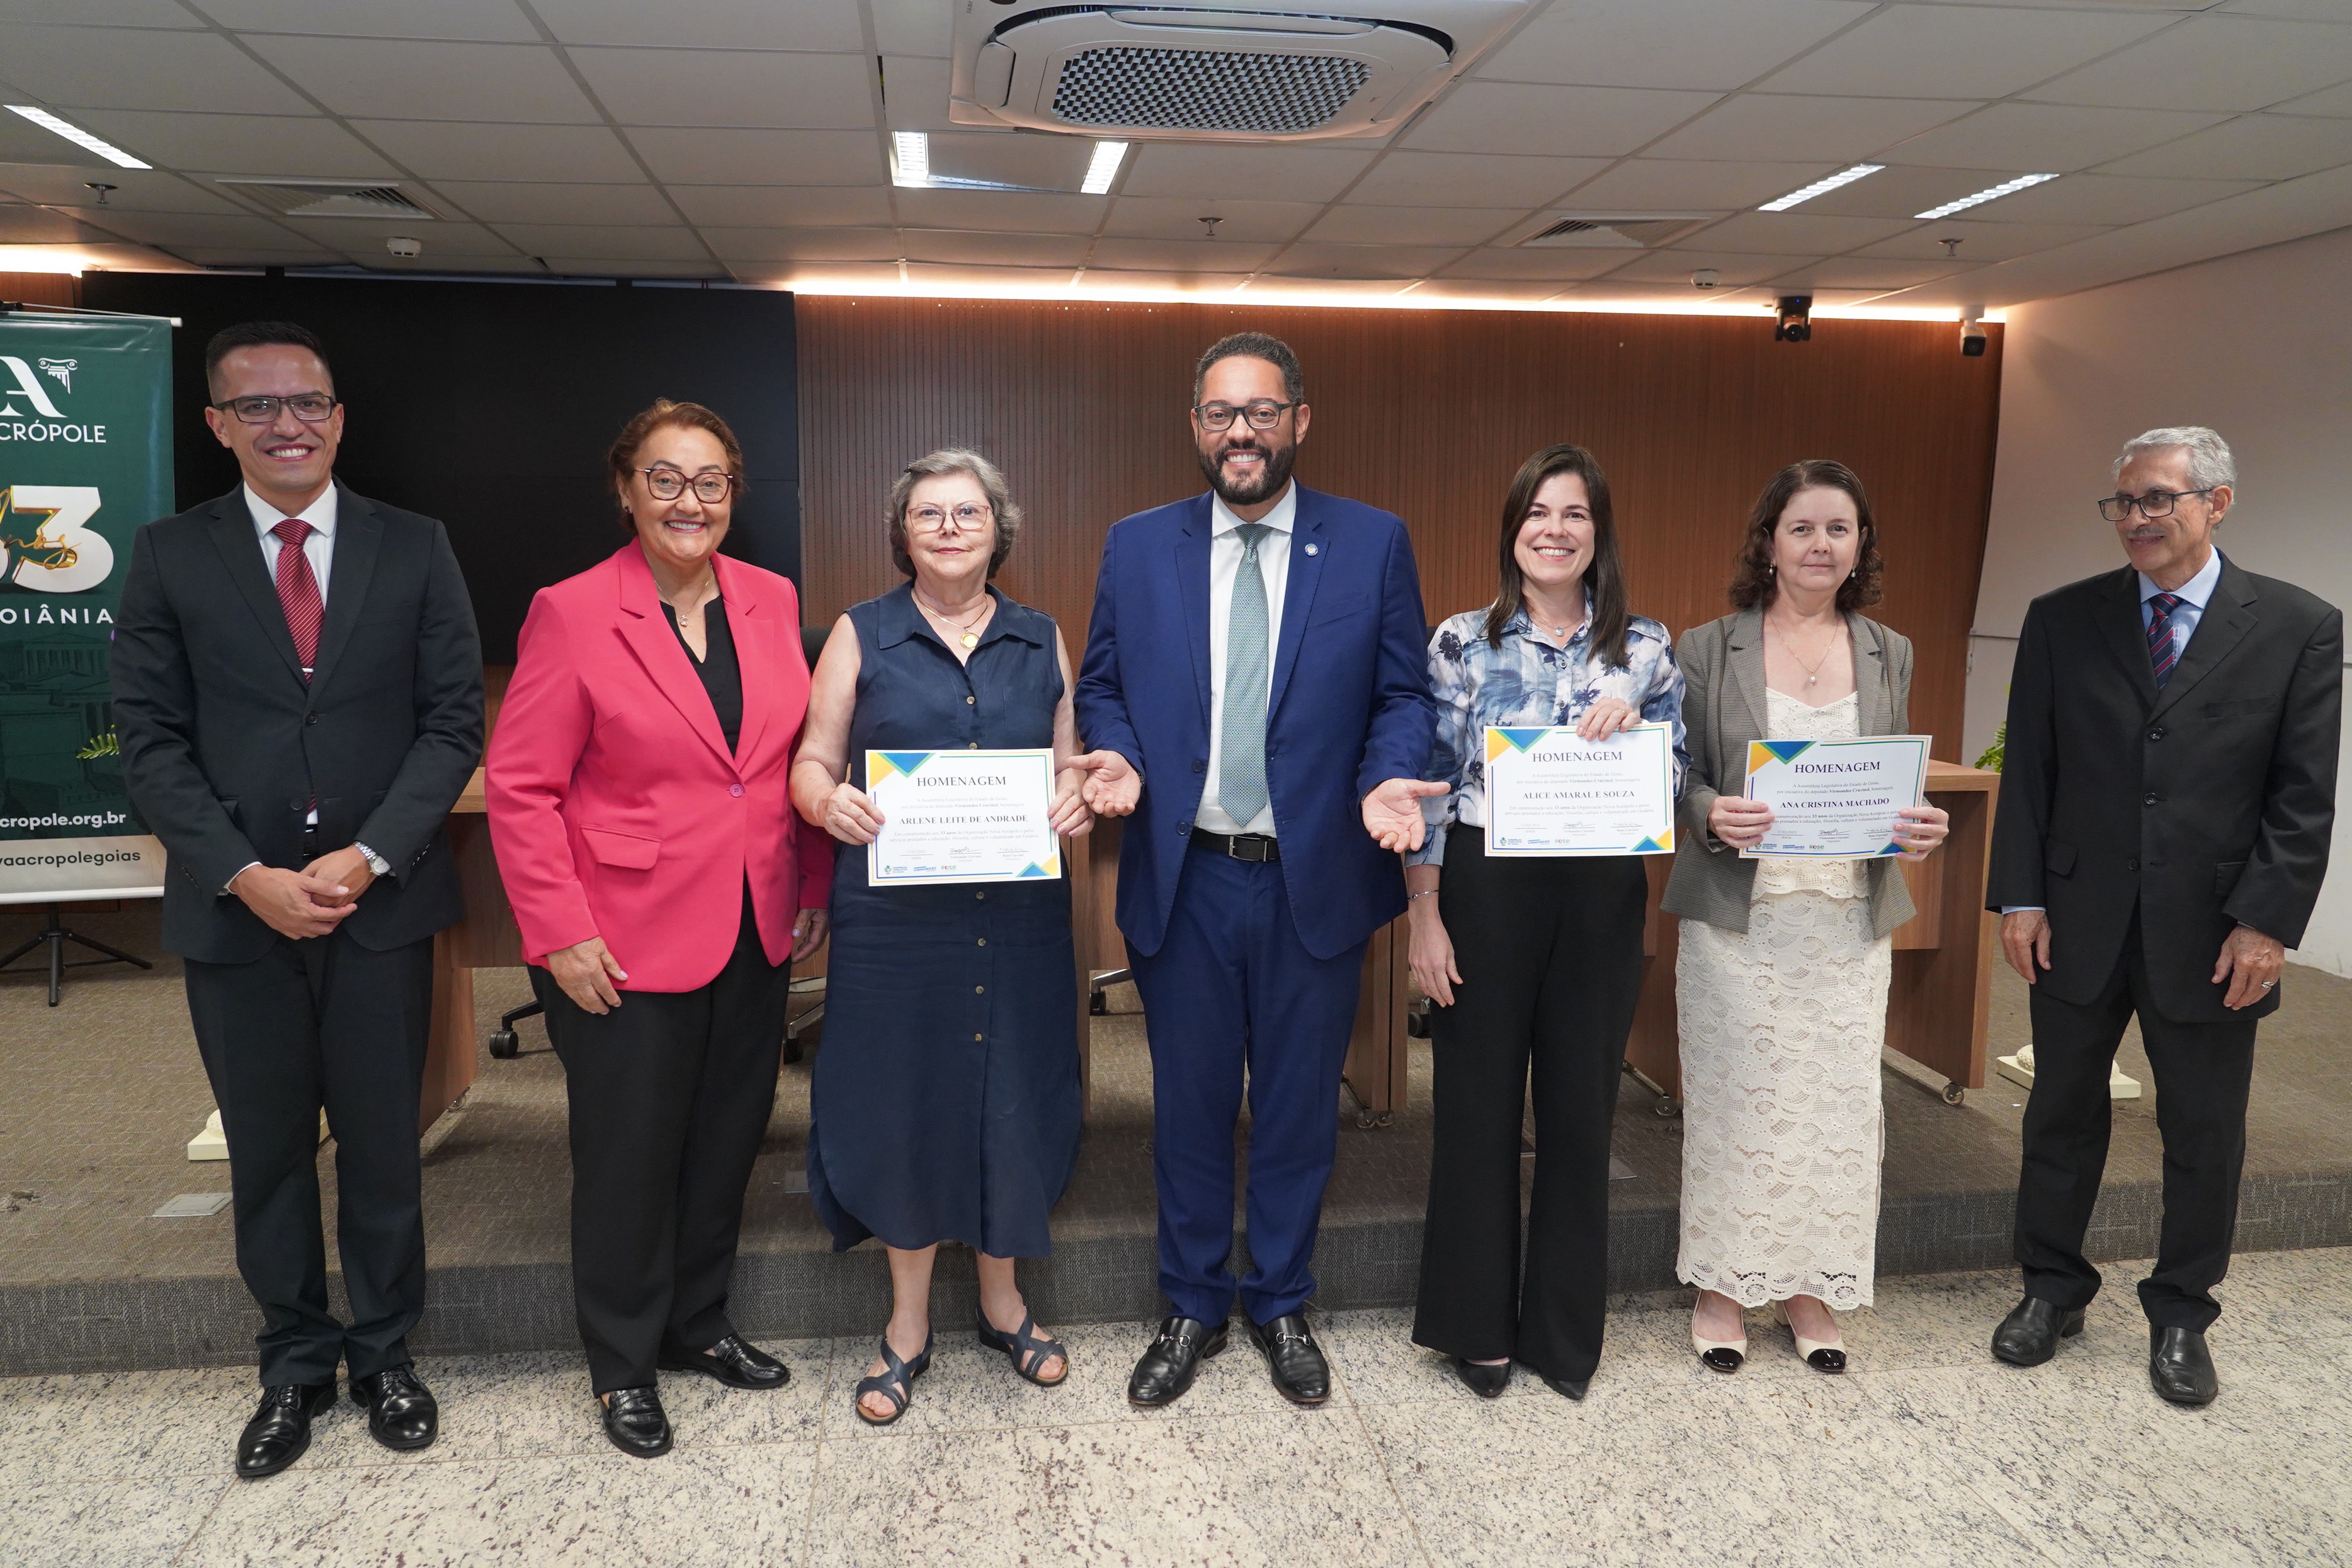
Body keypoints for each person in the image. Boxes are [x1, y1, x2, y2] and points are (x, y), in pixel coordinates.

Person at [111, 321, 483, 1479]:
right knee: (269, 1148)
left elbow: (452, 723)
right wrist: (243, 872)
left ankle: (385, 1351)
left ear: (338, 417)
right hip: (238, 909)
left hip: (379, 904)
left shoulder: (415, 545)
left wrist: (370, 854)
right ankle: (294, 1361)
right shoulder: (169, 553)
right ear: (218, 424)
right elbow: (150, 741)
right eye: (258, 406)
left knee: (381, 1143)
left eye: (307, 402)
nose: (287, 424)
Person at [1076, 332, 1438, 1408]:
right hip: (1183, 876)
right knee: (1187, 1105)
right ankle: (1191, 1301)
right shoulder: (1137, 545)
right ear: (1196, 425)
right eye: (1222, 412)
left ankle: (1280, 1299)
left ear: (1299, 421)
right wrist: (1118, 753)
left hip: (1310, 876)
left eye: (1263, 411)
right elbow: (1102, 685)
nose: (1242, 431)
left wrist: (1387, 775)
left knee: (1295, 1108)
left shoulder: (1371, 542)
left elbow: (1403, 694)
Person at [486, 400, 832, 1458]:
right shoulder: (573, 611)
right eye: (667, 479)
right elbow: (522, 787)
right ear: (626, 488)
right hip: (619, 938)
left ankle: (697, 1322)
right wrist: (559, 930)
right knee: (629, 1156)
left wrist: (810, 879)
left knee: (726, 1139)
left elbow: (788, 763)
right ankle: (623, 1363)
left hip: (753, 920)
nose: (691, 501)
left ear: (734, 493)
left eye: (711, 481)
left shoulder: (772, 599)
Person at [1987, 426, 2339, 1406]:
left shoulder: (2299, 626)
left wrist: (2266, 922)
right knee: (2061, 1114)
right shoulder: (2063, 618)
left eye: (2158, 499)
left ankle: (2183, 1310)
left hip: (2217, 930)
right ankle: (2051, 1289)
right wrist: (2021, 895)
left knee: (2204, 1130)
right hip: (2076, 917)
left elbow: (2303, 795)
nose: (2137, 518)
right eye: (2125, 501)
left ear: (2216, 503)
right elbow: (2031, 772)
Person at [791, 449, 1105, 1426]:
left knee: (1011, 1087)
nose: (950, 527)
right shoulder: (860, 632)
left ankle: (1005, 1302)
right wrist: (826, 801)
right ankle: (908, 1320)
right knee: (906, 1094)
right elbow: (811, 761)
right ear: (904, 532)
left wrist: (1076, 798)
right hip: (896, 923)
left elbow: (1070, 764)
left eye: (968, 512)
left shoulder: (1042, 637)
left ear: (998, 529)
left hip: (1016, 915)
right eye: (929, 513)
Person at [1406, 443, 1688, 1400]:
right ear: (1513, 529)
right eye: (1537, 512)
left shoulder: (1645, 647)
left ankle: (1564, 1332)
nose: (1555, 530)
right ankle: (1475, 1324)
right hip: (1487, 886)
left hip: (1601, 889)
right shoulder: (1460, 641)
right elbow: (1430, 788)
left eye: (1574, 513)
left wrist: (1640, 735)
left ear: (1598, 532)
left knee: (1580, 1111)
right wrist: (1425, 915)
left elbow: (1678, 776)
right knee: (1476, 1106)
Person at [1665, 460, 1949, 1377]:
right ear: (1768, 542)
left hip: (1846, 923)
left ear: (1861, 545)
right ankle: (1722, 1285)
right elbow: (1675, 772)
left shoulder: (1889, 650)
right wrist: (1709, 810)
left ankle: (1811, 1287)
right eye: (1802, 528)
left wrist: (1917, 823)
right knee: (1737, 1102)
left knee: (1836, 1109)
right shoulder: (1708, 647)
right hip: (1737, 924)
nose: (1820, 545)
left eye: (1839, 528)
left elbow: (1890, 778)